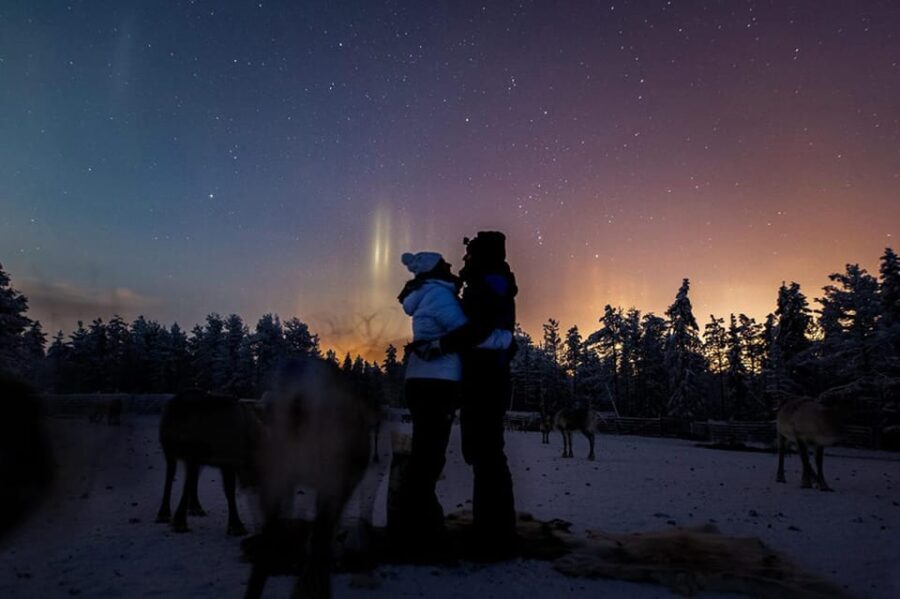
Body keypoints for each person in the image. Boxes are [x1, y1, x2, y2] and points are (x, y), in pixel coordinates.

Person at [389, 251, 511, 559]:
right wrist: (505, 340)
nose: (451, 268)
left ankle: (415, 528)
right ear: (435, 271)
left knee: (425, 454)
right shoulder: (439, 297)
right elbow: (469, 335)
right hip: (436, 385)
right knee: (428, 458)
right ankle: (421, 535)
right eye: (445, 265)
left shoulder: (427, 294)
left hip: (425, 382)